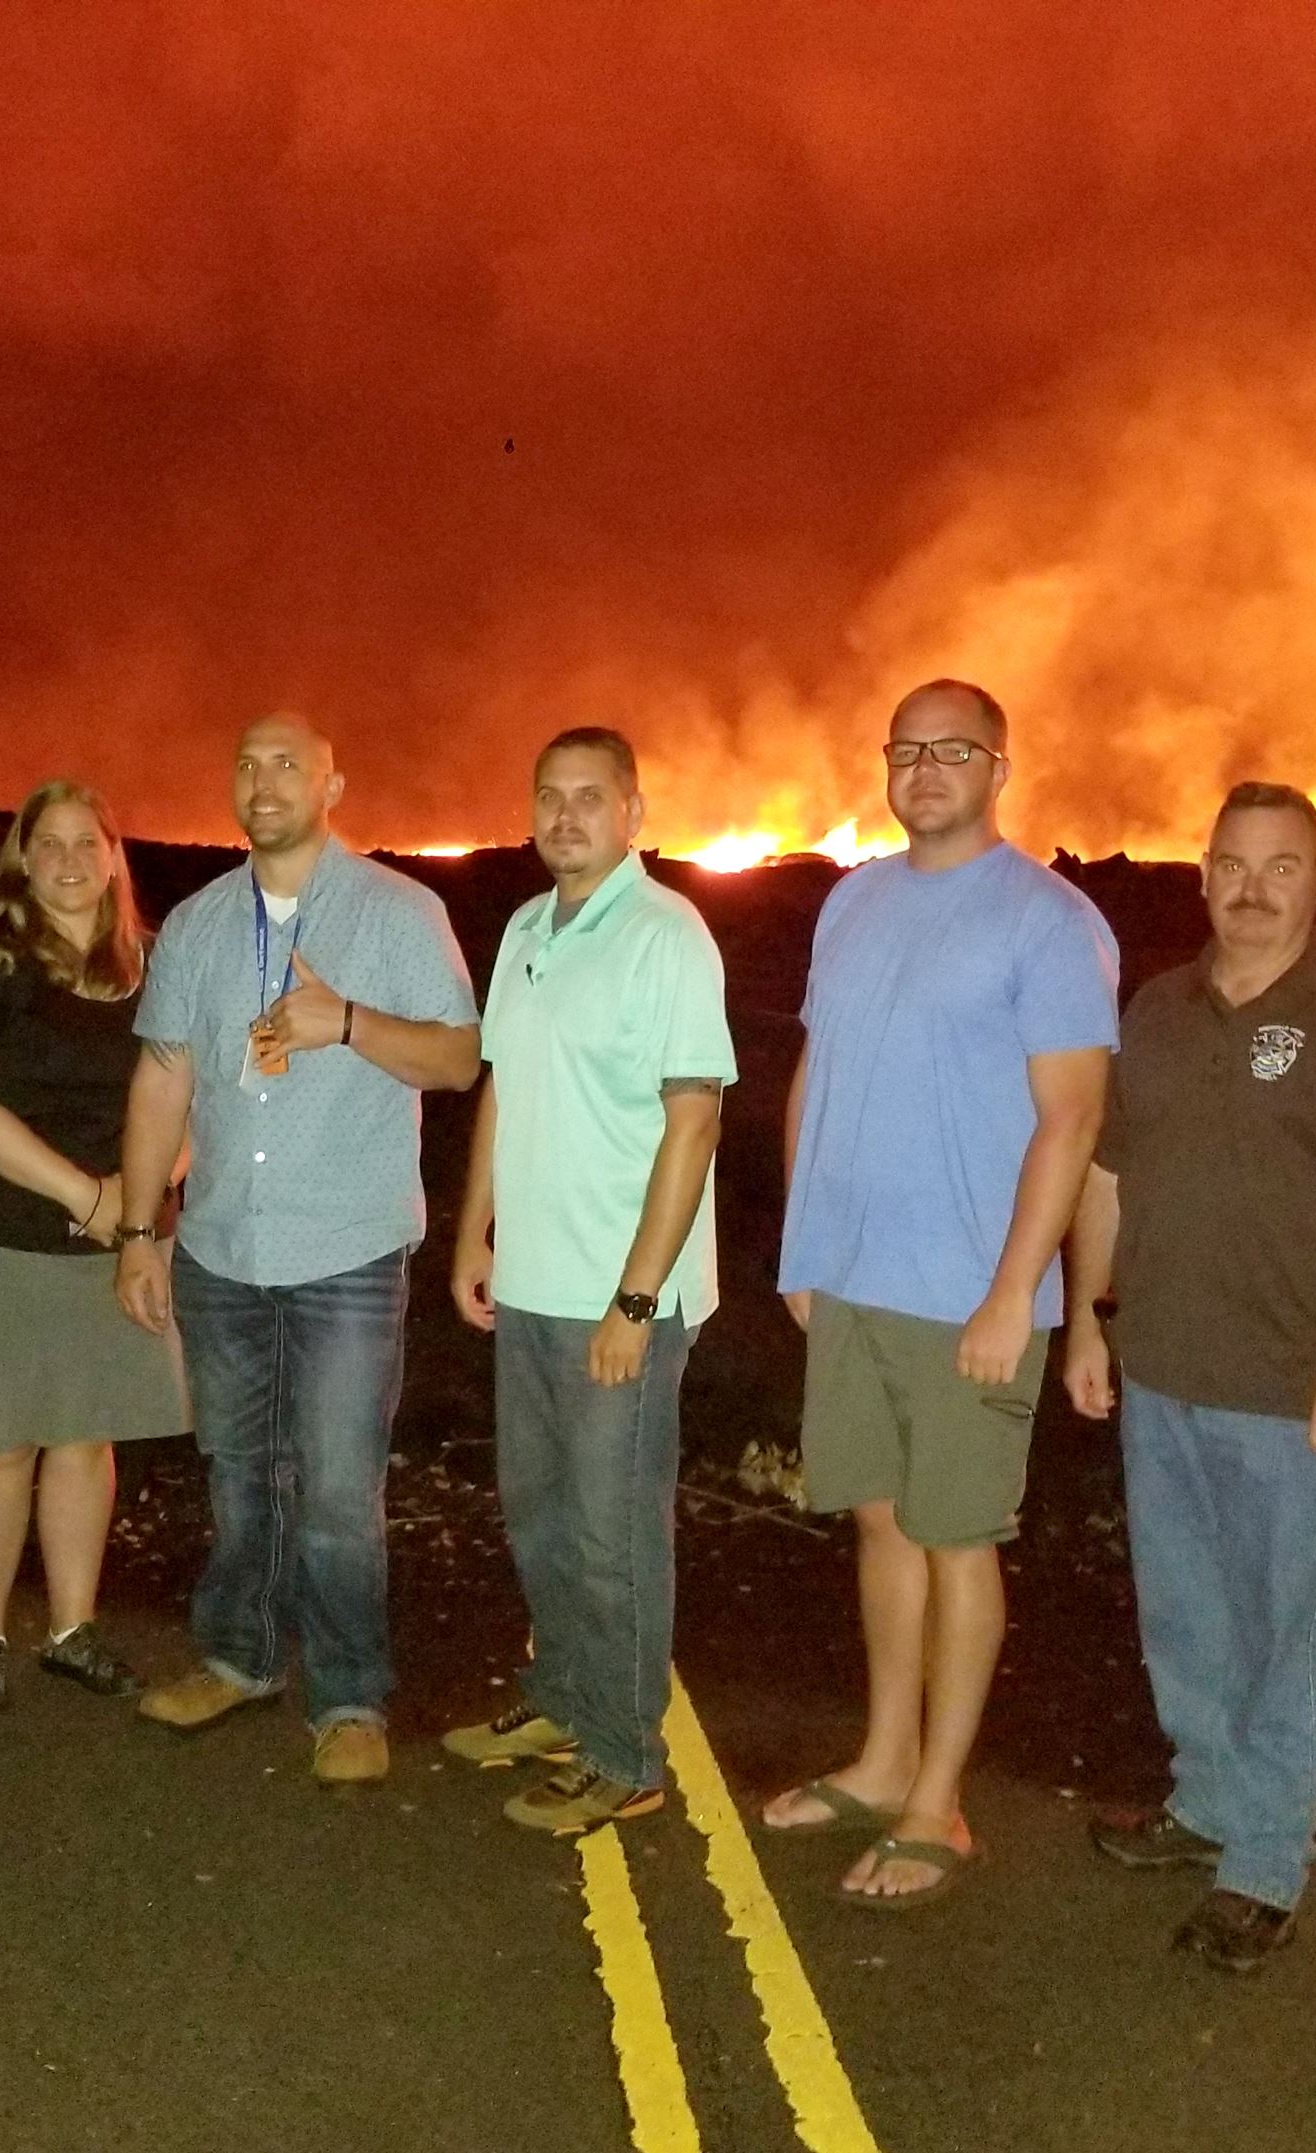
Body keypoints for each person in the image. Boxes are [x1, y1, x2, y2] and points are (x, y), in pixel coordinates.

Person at [1063, 782, 1316, 1971]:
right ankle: (1202, 1800)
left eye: (1280, 866)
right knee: (1186, 1608)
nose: (1252, 888)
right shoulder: (1157, 1007)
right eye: (1232, 865)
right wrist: (1090, 1320)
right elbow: (1110, 1171)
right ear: (1200, 873)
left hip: (1293, 1386)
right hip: (1163, 1368)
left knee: (1284, 1627)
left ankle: (1264, 1861)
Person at [762, 679, 1116, 1908]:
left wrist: (1015, 1291)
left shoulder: (1046, 920)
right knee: (878, 1518)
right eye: (904, 749)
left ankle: (936, 1804)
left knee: (958, 1536)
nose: (922, 768)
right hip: (852, 1277)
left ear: (999, 766)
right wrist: (801, 1247)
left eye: (950, 749)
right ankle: (880, 1757)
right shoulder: (852, 901)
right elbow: (818, 1067)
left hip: (970, 1289)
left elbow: (1071, 1117)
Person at [119, 714, 479, 1787]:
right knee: (237, 1471)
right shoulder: (194, 922)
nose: (262, 778)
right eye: (245, 761)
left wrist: (349, 1023)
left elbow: (458, 1059)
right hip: (223, 1246)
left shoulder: (401, 911)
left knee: (335, 1486)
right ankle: (236, 1655)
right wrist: (141, 1230)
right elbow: (162, 1079)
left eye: (286, 762)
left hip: (347, 1248)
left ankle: (350, 1692)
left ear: (333, 782)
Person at [446, 726, 736, 1834]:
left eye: (588, 797)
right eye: (547, 796)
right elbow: (502, 1089)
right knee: (540, 1514)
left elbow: (695, 1116)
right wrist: (475, 1231)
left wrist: (634, 1298)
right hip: (528, 1280)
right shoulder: (526, 927)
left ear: (632, 812)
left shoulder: (666, 936)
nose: (564, 816)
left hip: (618, 1298)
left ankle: (624, 1753)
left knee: (613, 1533)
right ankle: (564, 1698)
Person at [0, 781, 189, 1715]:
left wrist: (140, 1205)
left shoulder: (157, 965)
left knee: (84, 1432)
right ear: (22, 861)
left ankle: (73, 1630)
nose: (71, 859)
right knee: (3, 1436)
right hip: (7, 1228)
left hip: (122, 1238)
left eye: (89, 841)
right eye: (50, 843)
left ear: (115, 855)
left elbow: (197, 1098)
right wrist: (88, 1193)